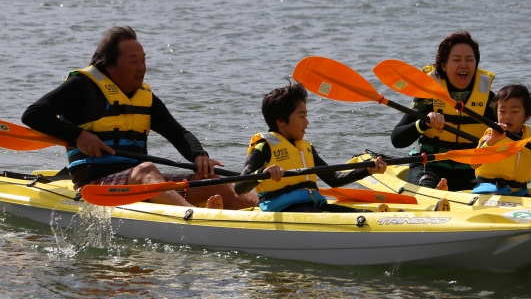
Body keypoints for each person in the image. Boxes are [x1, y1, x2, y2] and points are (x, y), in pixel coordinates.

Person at [22, 26, 257, 210]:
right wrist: (79, 135)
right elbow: (33, 114)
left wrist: (199, 155)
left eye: (143, 60)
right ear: (109, 67)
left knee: (214, 181)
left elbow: (178, 133)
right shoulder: (82, 86)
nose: (141, 67)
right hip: (98, 185)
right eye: (134, 62)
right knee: (146, 169)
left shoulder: (144, 96)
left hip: (143, 183)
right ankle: (195, 217)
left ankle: (270, 211)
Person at [234, 82, 388, 212]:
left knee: (367, 214)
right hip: (285, 211)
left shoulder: (306, 148)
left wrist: (367, 170)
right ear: (281, 120)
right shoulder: (264, 147)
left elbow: (333, 179)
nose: (306, 122)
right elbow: (240, 187)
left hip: (312, 206)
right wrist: (263, 172)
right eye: (301, 116)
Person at [390, 31, 496, 191]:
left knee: (491, 189)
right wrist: (423, 123)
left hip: (471, 172)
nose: (464, 65)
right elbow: (397, 139)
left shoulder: (489, 100)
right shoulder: (428, 95)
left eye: (469, 59)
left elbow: (513, 137)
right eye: (456, 60)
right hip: (429, 166)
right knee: (427, 183)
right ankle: (436, 195)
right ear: (444, 65)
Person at [470, 84, 531, 197]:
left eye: (515, 111)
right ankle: (529, 199)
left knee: (526, 195)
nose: (507, 116)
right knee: (497, 194)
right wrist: (492, 141)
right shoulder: (491, 135)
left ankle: (529, 198)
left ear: (527, 115)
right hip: (489, 189)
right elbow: (473, 163)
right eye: (502, 111)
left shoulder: (529, 137)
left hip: (518, 192)